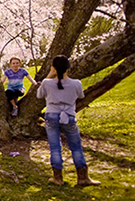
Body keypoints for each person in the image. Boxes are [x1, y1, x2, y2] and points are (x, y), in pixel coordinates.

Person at [36, 55, 100, 187]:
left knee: (55, 148)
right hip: (69, 116)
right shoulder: (76, 83)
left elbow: (39, 95)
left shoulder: (47, 83)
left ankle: (57, 178)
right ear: (68, 68)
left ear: (53, 68)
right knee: (76, 147)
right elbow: (81, 95)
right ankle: (82, 177)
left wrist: (49, 75)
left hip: (52, 115)